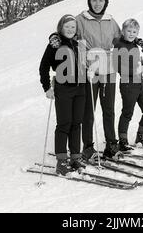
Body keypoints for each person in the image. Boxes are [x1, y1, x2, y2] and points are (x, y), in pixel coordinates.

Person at [48, 0, 143, 161]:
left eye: (101, 0)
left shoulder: (110, 21)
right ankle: (87, 147)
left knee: (108, 109)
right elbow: (67, 31)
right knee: (89, 111)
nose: (97, 3)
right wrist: (54, 36)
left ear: (105, 2)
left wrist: (136, 40)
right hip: (89, 70)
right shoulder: (80, 19)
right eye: (94, 0)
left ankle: (111, 145)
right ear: (89, 1)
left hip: (108, 69)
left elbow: (121, 38)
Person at [39, 14, 86, 175]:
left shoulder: (78, 43)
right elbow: (44, 66)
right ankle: (61, 161)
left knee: (76, 123)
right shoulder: (55, 44)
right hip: (63, 88)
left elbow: (82, 63)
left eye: (73, 27)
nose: (70, 29)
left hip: (80, 88)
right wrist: (47, 88)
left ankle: (75, 157)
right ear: (61, 27)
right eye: (67, 27)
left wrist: (90, 71)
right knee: (64, 123)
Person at [113, 19, 143, 151]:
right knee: (127, 112)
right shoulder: (118, 45)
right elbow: (117, 66)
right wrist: (136, 70)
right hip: (127, 84)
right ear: (123, 31)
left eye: (134, 32)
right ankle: (123, 141)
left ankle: (141, 135)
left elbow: (135, 58)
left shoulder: (135, 44)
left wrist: (141, 62)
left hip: (140, 82)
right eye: (129, 31)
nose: (131, 34)